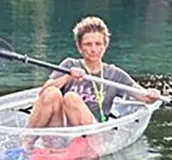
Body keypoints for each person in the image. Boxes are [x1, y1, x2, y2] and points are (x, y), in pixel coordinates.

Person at [27, 16, 160, 132]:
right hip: (63, 127)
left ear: (105, 46)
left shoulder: (114, 74)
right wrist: (68, 77)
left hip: (94, 129)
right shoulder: (69, 65)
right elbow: (43, 94)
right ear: (79, 47)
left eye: (98, 44)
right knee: (52, 93)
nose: (93, 49)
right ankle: (26, 146)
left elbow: (145, 97)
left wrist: (153, 94)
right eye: (88, 44)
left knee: (71, 98)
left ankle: (79, 146)